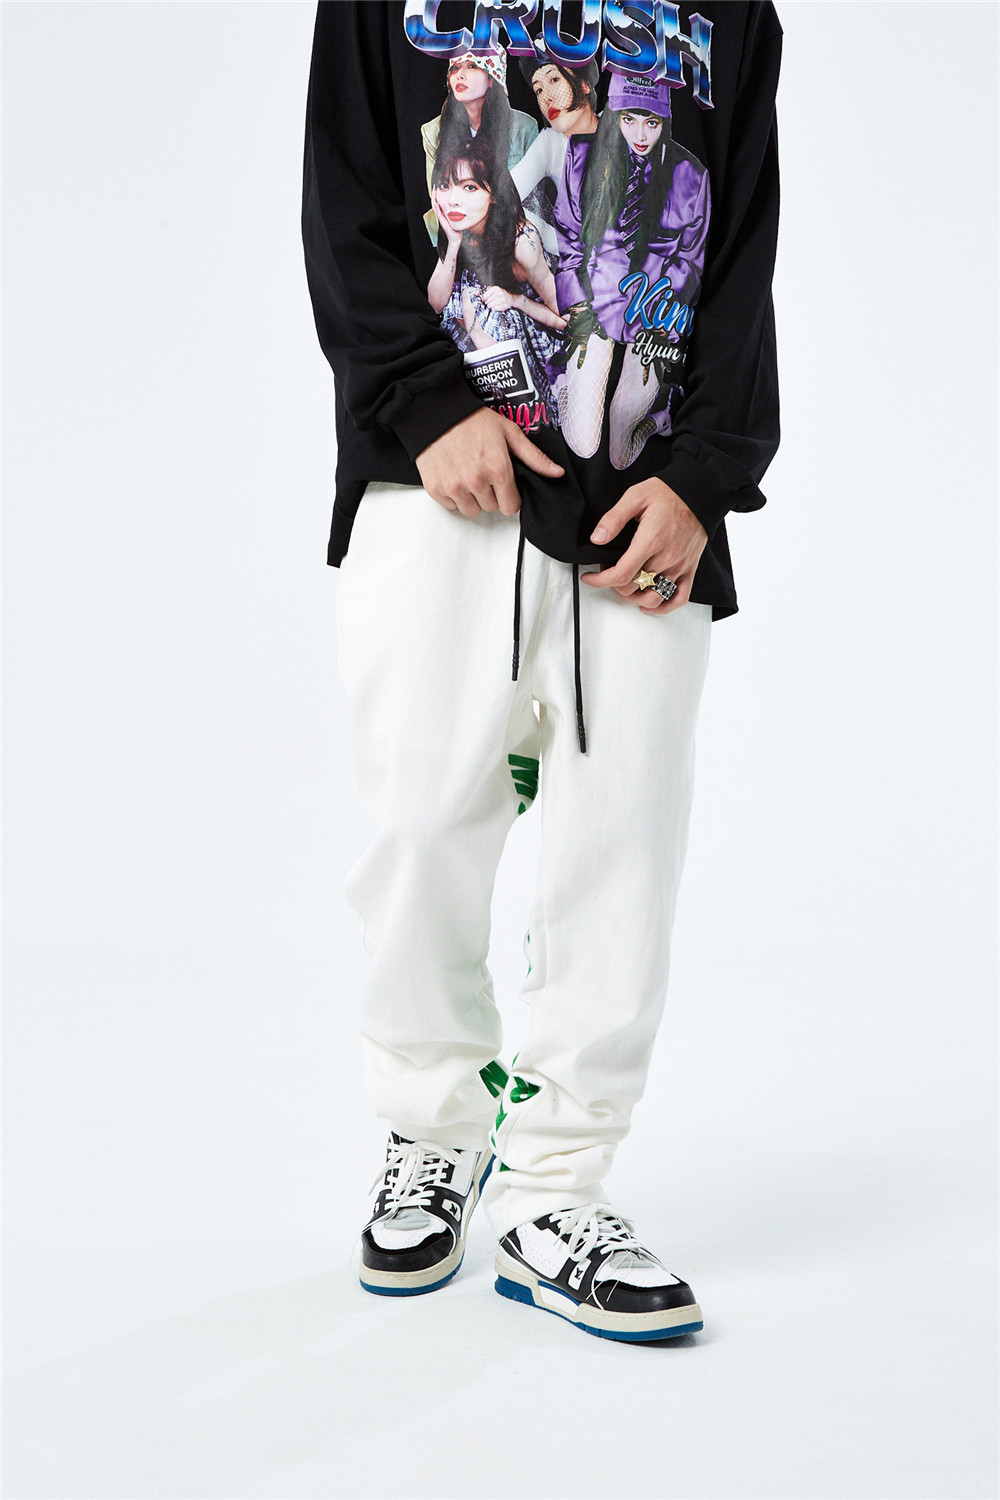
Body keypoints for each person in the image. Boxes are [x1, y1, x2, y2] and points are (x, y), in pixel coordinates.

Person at [302, 1, 782, 1343]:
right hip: (439, 479)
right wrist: (421, 404)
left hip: (643, 507)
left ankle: (556, 1190)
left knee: (618, 845)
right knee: (416, 822)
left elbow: (743, 241)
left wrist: (706, 477)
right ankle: (433, 1131)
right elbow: (346, 196)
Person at [553, 73, 711, 467]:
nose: (641, 135)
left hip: (651, 314)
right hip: (595, 306)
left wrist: (661, 314)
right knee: (583, 442)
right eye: (629, 120)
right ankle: (562, 381)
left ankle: (660, 411)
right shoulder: (582, 157)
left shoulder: (691, 176)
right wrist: (577, 304)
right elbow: (568, 237)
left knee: (623, 452)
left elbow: (690, 260)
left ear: (664, 123)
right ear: (613, 116)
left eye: (651, 123)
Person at [428, 144, 565, 416]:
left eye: (469, 187)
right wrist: (453, 244)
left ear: (494, 195)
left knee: (491, 309)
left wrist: (516, 300)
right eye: (444, 186)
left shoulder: (522, 244)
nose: (453, 200)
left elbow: (566, 320)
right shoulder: (458, 228)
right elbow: (435, 303)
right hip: (479, 361)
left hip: (530, 350)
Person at [420, 49, 537, 241]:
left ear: (492, 78)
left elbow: (533, 198)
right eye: (455, 68)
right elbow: (437, 196)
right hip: (456, 233)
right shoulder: (433, 131)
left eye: (472, 66)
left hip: (512, 233)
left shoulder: (524, 127)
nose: (460, 75)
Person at [509, 57, 600, 260]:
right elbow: (502, 199)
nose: (546, 98)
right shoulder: (550, 142)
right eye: (539, 90)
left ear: (584, 85)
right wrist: (559, 242)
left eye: (554, 80)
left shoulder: (625, 126)